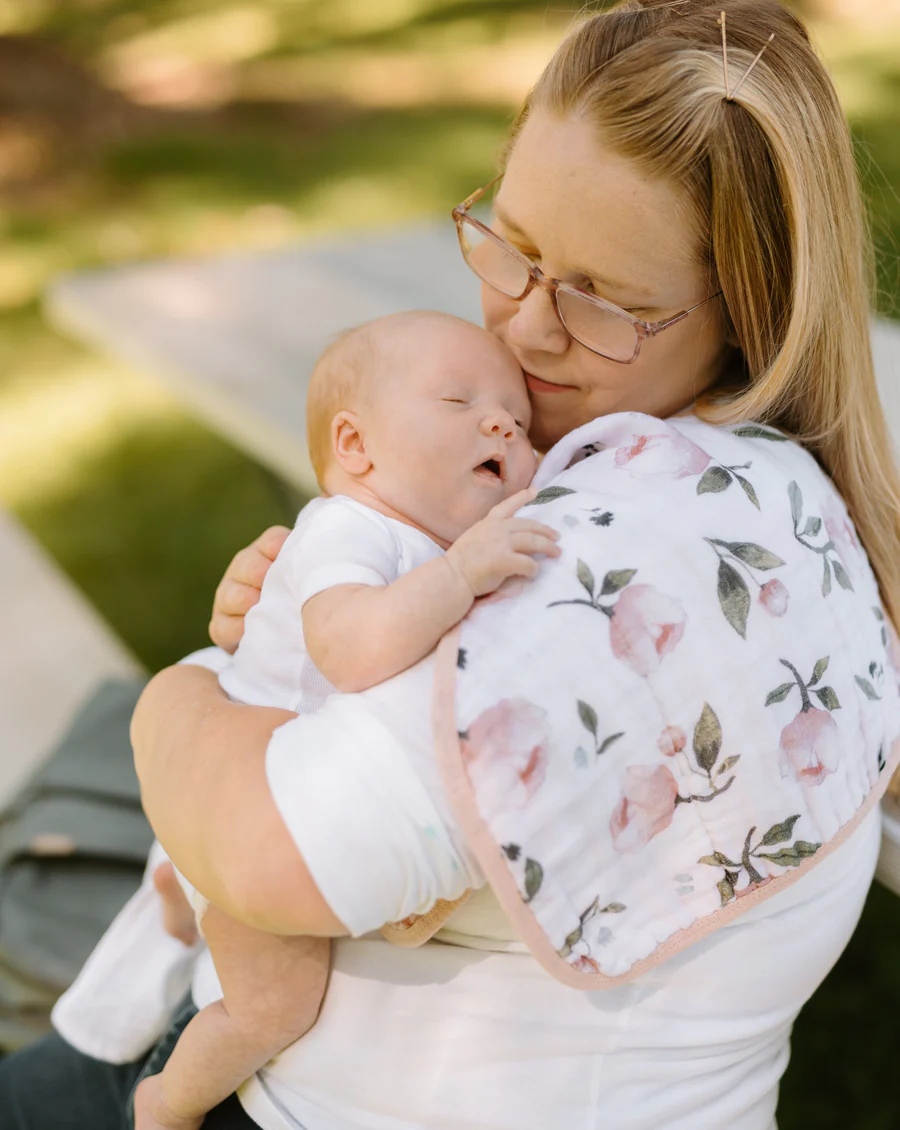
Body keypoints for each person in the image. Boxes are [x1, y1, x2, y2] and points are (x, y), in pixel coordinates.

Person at [4, 2, 900, 1127]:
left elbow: (267, 856)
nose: (526, 328)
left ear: (750, 311)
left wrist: (180, 702)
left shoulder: (641, 552)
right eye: (514, 247)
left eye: (602, 298)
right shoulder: (701, 474)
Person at [133, 310, 558, 1129]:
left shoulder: (421, 544)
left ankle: (176, 889)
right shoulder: (345, 529)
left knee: (209, 896)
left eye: (520, 419)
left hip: (255, 794)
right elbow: (350, 649)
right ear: (357, 448)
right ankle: (166, 1102)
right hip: (250, 808)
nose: (502, 420)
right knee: (274, 1009)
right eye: (457, 400)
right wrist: (464, 574)